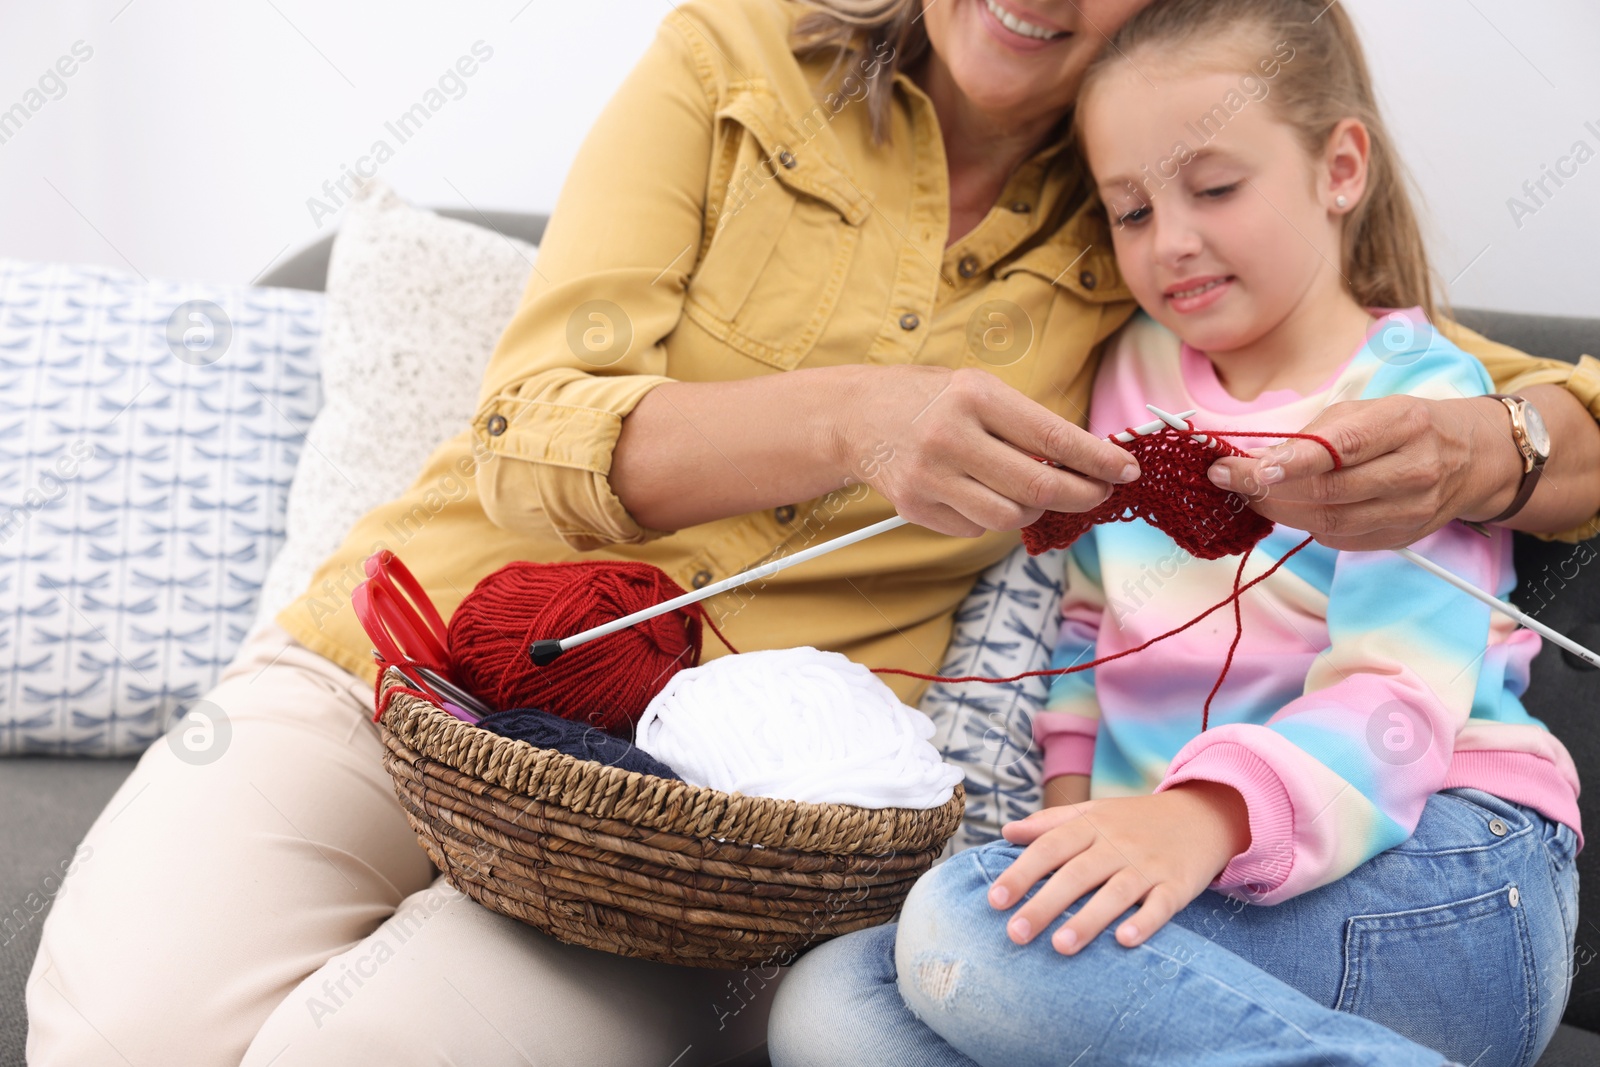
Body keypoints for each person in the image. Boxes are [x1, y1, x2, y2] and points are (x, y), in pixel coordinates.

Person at [25, 0, 1600, 1064]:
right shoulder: (738, 58)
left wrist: (1496, 448)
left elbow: (1428, 403)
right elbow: (525, 430)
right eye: (1149, 210)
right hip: (418, 666)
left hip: (711, 810)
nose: (1171, 233)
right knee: (119, 1028)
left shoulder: (1146, 203)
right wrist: (855, 421)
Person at [767, 2, 1584, 1066]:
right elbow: (1090, 629)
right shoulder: (1130, 377)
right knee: (832, 1004)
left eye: (1213, 188)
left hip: (1452, 873)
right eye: (1131, 209)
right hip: (1214, 887)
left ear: (1340, 169)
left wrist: (1199, 816)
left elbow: (1397, 705)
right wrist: (1074, 828)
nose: (1173, 241)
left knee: (960, 929)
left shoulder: (1411, 401)